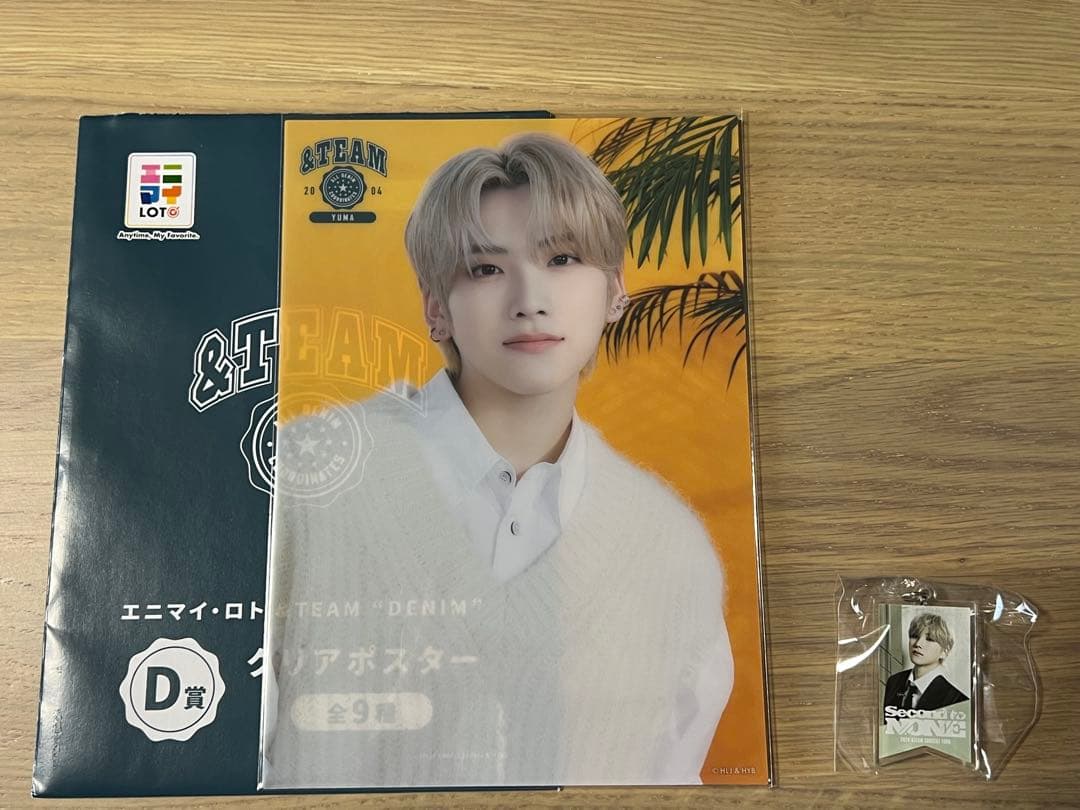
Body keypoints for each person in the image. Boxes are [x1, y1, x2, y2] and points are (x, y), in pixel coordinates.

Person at [261, 132, 732, 789]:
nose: (529, 299)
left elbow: (674, 779)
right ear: (436, 308)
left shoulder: (670, 548)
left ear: (615, 293)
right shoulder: (300, 482)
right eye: (485, 269)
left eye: (563, 258)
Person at [883, 612, 969, 717]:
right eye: (914, 636)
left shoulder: (957, 700)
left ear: (944, 651)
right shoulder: (894, 681)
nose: (918, 644)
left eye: (930, 639)